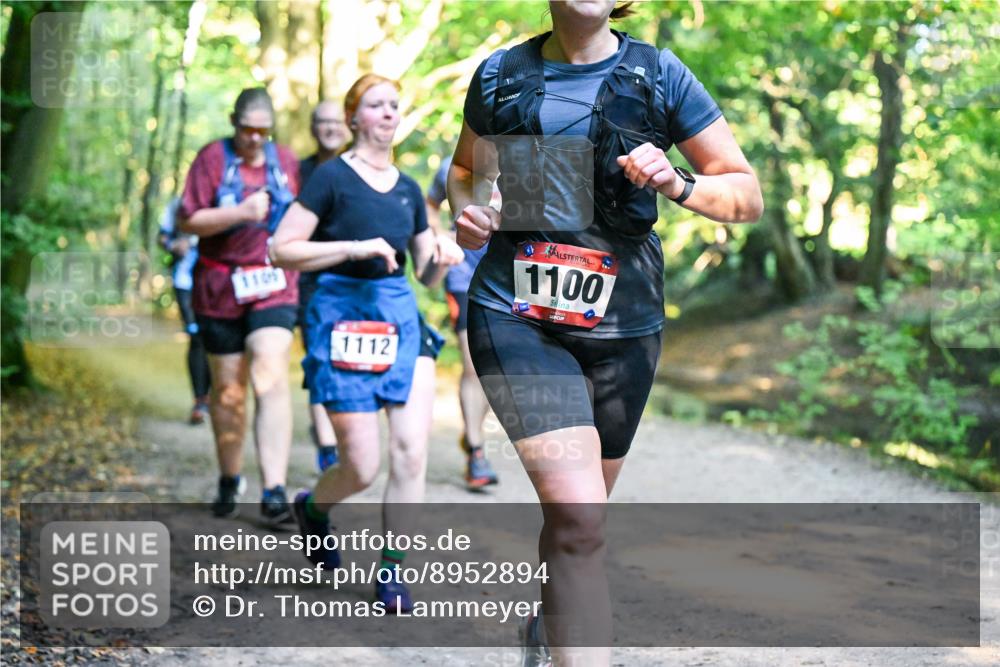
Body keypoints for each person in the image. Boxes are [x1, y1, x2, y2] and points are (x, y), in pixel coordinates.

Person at [449, 1, 764, 664]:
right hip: (517, 313)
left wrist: (676, 183)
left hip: (625, 326)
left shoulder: (658, 75)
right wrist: (471, 213)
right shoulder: (502, 75)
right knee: (582, 519)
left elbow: (745, 194)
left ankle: (547, 627)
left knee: (574, 525)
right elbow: (465, 174)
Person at [270, 74, 463, 612]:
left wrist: (442, 257)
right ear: (354, 117)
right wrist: (353, 248)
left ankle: (392, 573)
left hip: (398, 316)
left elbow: (422, 271)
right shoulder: (331, 178)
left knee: (412, 451)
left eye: (395, 105)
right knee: (361, 464)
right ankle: (312, 510)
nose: (388, 113)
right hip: (340, 317)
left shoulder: (407, 188)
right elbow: (280, 250)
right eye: (376, 105)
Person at [178, 87, 301, 525]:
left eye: (263, 132)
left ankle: (274, 489)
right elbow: (187, 220)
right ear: (234, 123)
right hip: (218, 285)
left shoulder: (285, 163)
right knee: (228, 389)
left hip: (273, 283)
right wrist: (242, 213)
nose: (254, 139)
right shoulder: (212, 159)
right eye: (247, 130)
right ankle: (230, 477)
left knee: (270, 368)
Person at [425, 155, 500, 489]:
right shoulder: (453, 166)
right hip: (464, 276)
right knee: (472, 365)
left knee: (492, 370)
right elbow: (430, 205)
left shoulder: (528, 159)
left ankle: (473, 436)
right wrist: (440, 237)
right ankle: (476, 451)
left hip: (509, 276)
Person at [298, 101, 351, 472]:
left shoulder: (362, 167)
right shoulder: (297, 169)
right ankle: (328, 446)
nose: (329, 128)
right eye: (322, 122)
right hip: (310, 280)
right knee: (319, 357)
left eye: (336, 122)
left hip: (354, 280)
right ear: (313, 127)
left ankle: (348, 437)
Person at [158, 195, 211, 425]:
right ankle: (200, 401)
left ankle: (217, 397)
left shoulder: (225, 197)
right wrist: (172, 245)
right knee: (197, 337)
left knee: (217, 338)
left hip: (217, 282)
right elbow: (161, 236)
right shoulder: (178, 203)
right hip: (185, 282)